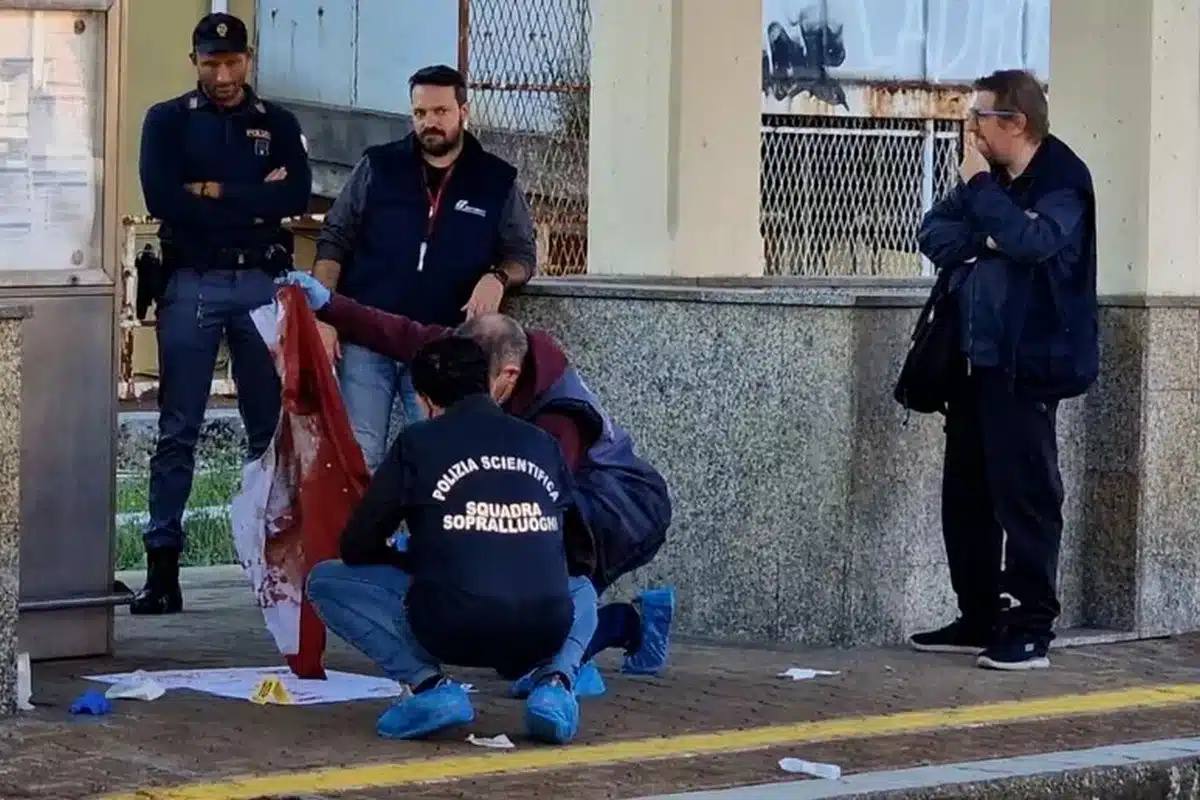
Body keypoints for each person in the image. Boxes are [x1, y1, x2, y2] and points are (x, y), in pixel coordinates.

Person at [279, 270, 675, 689]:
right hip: (567, 506)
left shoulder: (559, 422)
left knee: (535, 619)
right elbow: (399, 333)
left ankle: (626, 625)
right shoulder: (471, 355)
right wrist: (327, 304)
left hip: (616, 511)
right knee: (516, 614)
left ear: (507, 375)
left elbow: (547, 518)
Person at [305, 336, 597, 744]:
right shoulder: (542, 443)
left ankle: (431, 689)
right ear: (489, 381)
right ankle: (556, 686)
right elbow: (581, 552)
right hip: (542, 629)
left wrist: (411, 562)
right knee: (582, 589)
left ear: (424, 400)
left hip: (451, 626)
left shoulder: (417, 442)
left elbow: (357, 545)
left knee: (324, 581)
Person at [911, 69, 1098, 670]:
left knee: (1026, 496)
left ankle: (1030, 626)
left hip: (1028, 365)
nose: (970, 129)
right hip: (972, 361)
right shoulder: (983, 181)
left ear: (1015, 123)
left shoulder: (1062, 180)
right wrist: (990, 231)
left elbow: (1032, 242)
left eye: (980, 118)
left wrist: (989, 220)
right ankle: (978, 615)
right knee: (965, 495)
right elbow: (934, 233)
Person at [131, 12, 313, 615]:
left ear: (249, 59)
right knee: (177, 428)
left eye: (233, 62)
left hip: (260, 283)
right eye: (212, 63)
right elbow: (162, 198)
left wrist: (211, 190)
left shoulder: (277, 124)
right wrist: (250, 199)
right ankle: (163, 568)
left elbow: (293, 197)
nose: (224, 74)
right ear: (195, 63)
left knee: (267, 433)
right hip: (193, 281)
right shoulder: (166, 120)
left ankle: (273, 568)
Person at [312, 64, 538, 471]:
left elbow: (523, 253)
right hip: (367, 337)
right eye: (420, 114)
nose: (429, 123)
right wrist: (324, 313)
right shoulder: (379, 166)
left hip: (442, 345)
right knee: (358, 459)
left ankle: (427, 538)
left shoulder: (495, 180)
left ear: (463, 112)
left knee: (442, 462)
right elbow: (334, 238)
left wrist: (499, 277)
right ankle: (363, 536)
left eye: (440, 112)